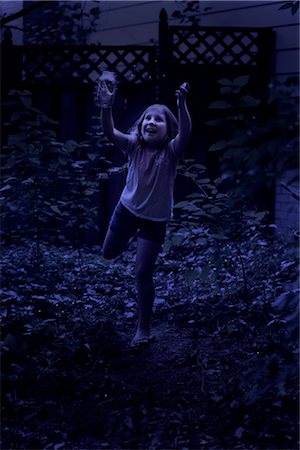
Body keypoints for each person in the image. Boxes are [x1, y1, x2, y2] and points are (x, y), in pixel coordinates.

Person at [97, 76, 192, 346]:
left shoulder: (172, 151)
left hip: (154, 220)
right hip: (126, 210)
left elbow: (185, 132)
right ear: (141, 125)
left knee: (142, 274)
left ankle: (143, 329)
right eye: (147, 118)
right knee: (108, 252)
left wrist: (181, 103)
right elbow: (110, 133)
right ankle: (130, 239)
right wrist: (106, 106)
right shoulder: (133, 145)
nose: (151, 122)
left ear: (167, 129)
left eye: (158, 120)